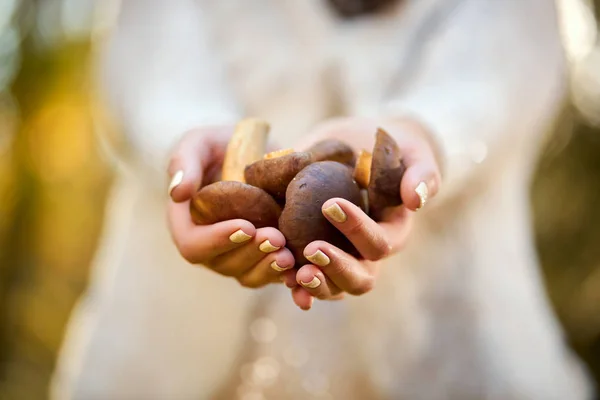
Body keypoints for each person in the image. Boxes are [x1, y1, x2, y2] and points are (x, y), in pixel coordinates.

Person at [51, 0, 594, 399]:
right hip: (166, 349)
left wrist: (422, 136)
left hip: (455, 349)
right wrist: (189, 147)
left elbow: (505, 61)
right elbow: (149, 53)